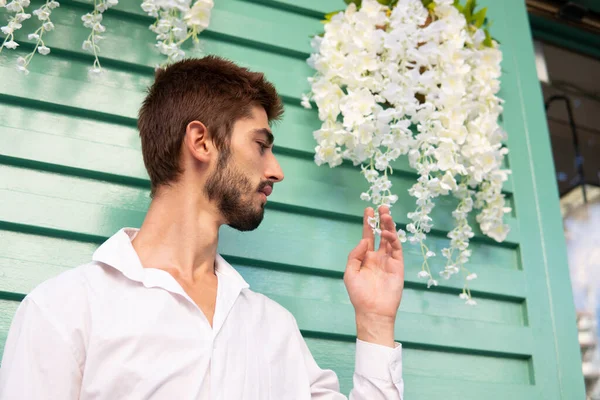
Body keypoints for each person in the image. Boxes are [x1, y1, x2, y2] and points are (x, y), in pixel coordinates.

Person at [0, 56, 405, 399]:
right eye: (261, 145)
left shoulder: (274, 329)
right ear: (202, 141)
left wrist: (376, 321)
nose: (276, 171)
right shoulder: (64, 311)